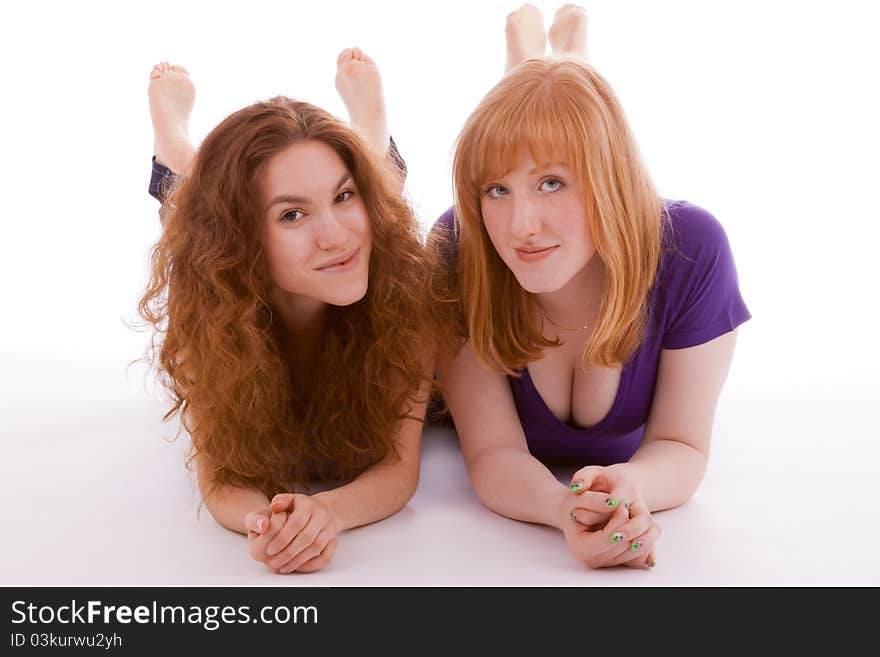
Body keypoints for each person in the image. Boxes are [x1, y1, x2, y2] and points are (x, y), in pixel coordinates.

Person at [429, 4, 751, 569]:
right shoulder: (461, 244)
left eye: (552, 183)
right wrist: (567, 511)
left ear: (608, 181)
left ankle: (564, 56)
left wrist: (630, 487)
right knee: (536, 117)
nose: (519, 226)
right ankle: (534, 60)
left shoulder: (692, 248)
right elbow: (493, 452)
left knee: (561, 109)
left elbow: (682, 446)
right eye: (494, 191)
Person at [139, 49, 434, 574]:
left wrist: (324, 513)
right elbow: (221, 481)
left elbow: (398, 469)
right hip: (218, 254)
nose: (335, 235)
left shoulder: (409, 295)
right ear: (245, 242)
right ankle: (174, 143)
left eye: (345, 196)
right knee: (188, 221)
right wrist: (268, 523)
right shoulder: (210, 320)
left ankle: (371, 129)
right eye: (292, 214)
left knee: (377, 204)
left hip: (377, 238)